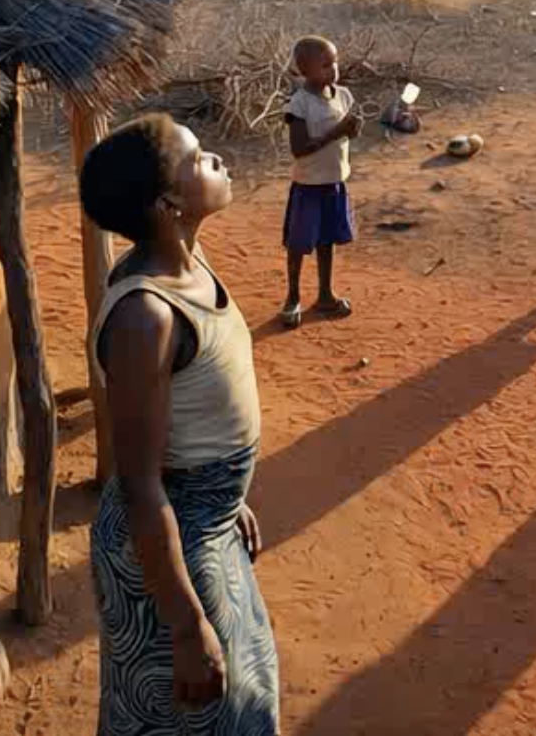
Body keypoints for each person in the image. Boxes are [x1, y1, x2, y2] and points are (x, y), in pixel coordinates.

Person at [81, 114, 280, 735]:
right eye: (197, 159)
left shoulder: (187, 262)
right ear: (168, 205)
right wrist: (186, 624)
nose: (216, 159)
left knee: (240, 699)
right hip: (168, 542)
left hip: (203, 520)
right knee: (189, 711)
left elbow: (190, 422)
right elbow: (140, 481)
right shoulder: (146, 318)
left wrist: (227, 497)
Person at [278, 36, 361, 328]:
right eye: (325, 65)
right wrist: (339, 131)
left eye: (334, 62)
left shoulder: (343, 96)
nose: (333, 69)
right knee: (299, 244)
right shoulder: (299, 104)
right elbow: (300, 149)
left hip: (334, 181)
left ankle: (325, 294)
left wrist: (352, 130)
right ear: (305, 70)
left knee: (327, 240)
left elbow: (346, 136)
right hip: (309, 185)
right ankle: (292, 297)